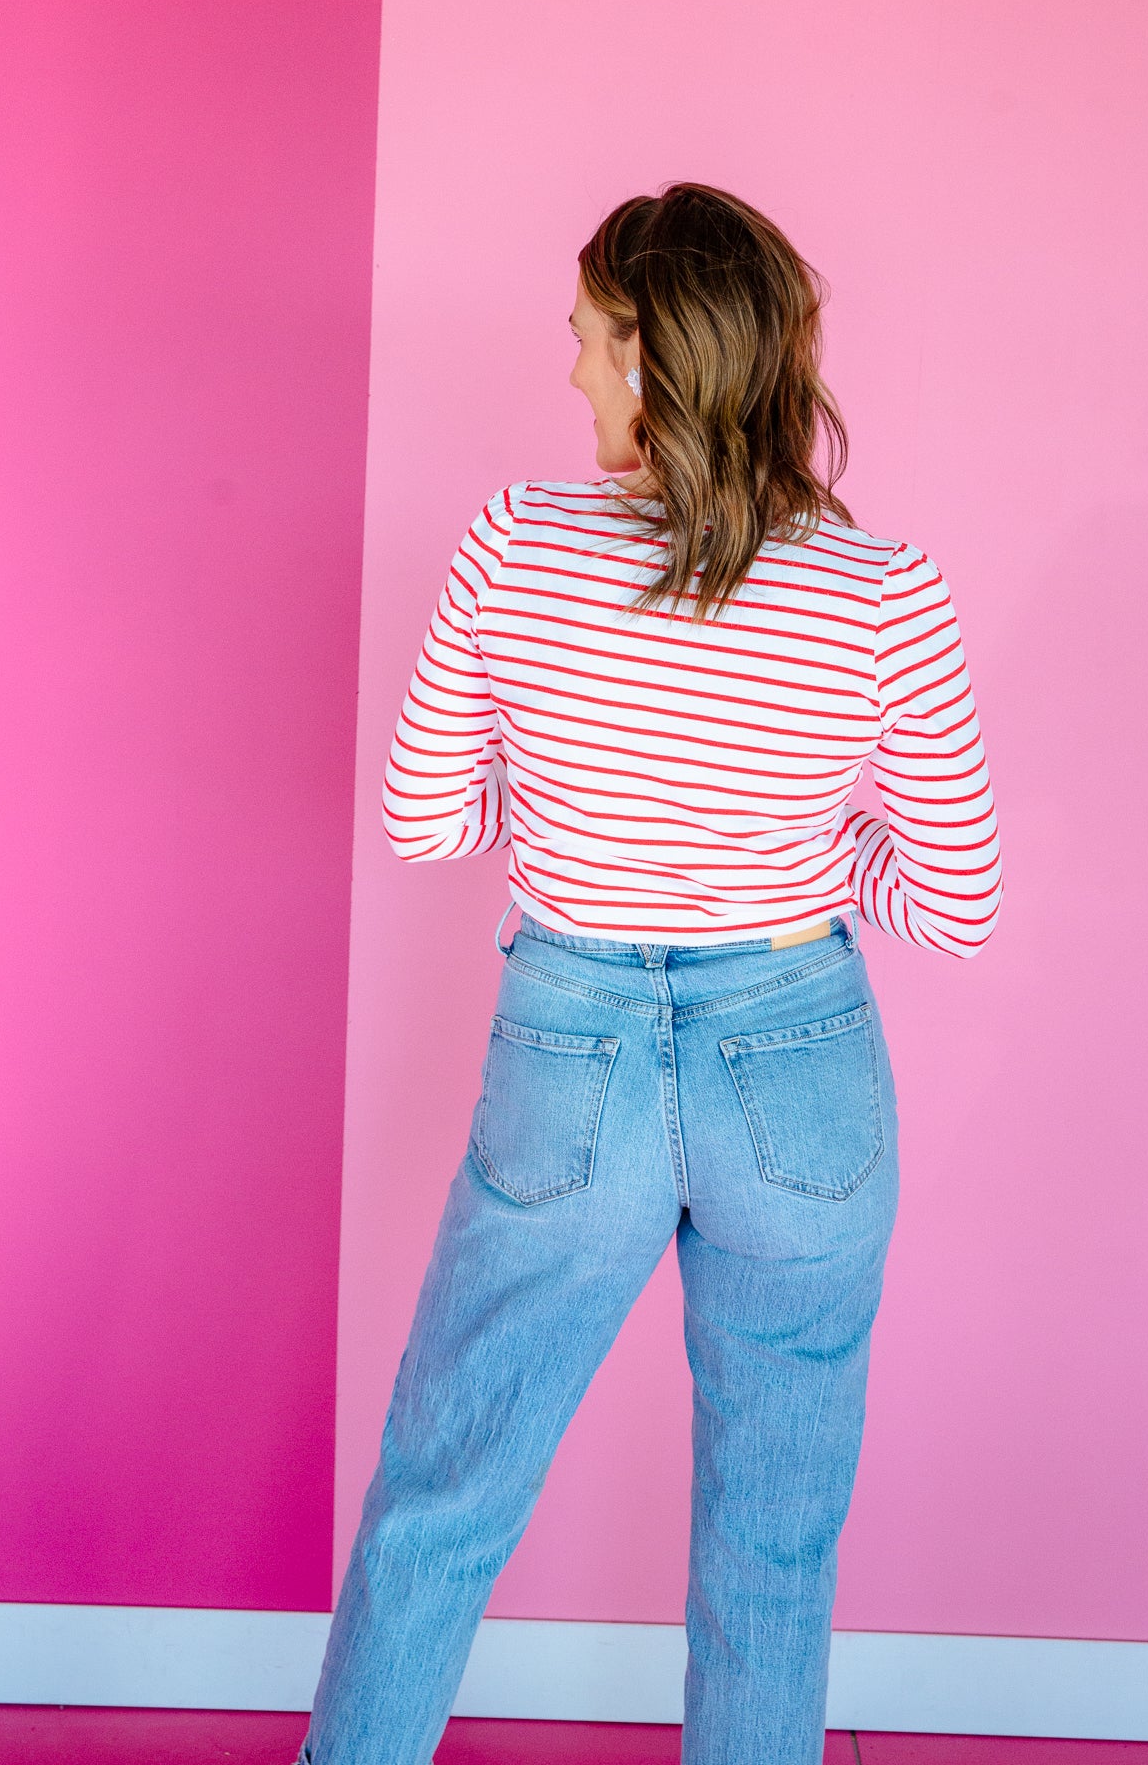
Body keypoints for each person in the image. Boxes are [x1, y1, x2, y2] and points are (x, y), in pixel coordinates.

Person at [296, 182, 1002, 1765]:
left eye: (584, 340)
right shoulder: (886, 590)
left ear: (653, 348)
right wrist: (800, 856)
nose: (567, 376)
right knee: (774, 1538)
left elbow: (426, 820)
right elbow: (954, 901)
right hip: (798, 1053)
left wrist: (572, 805)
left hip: (574, 1043)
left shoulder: (513, 540)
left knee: (441, 1494)